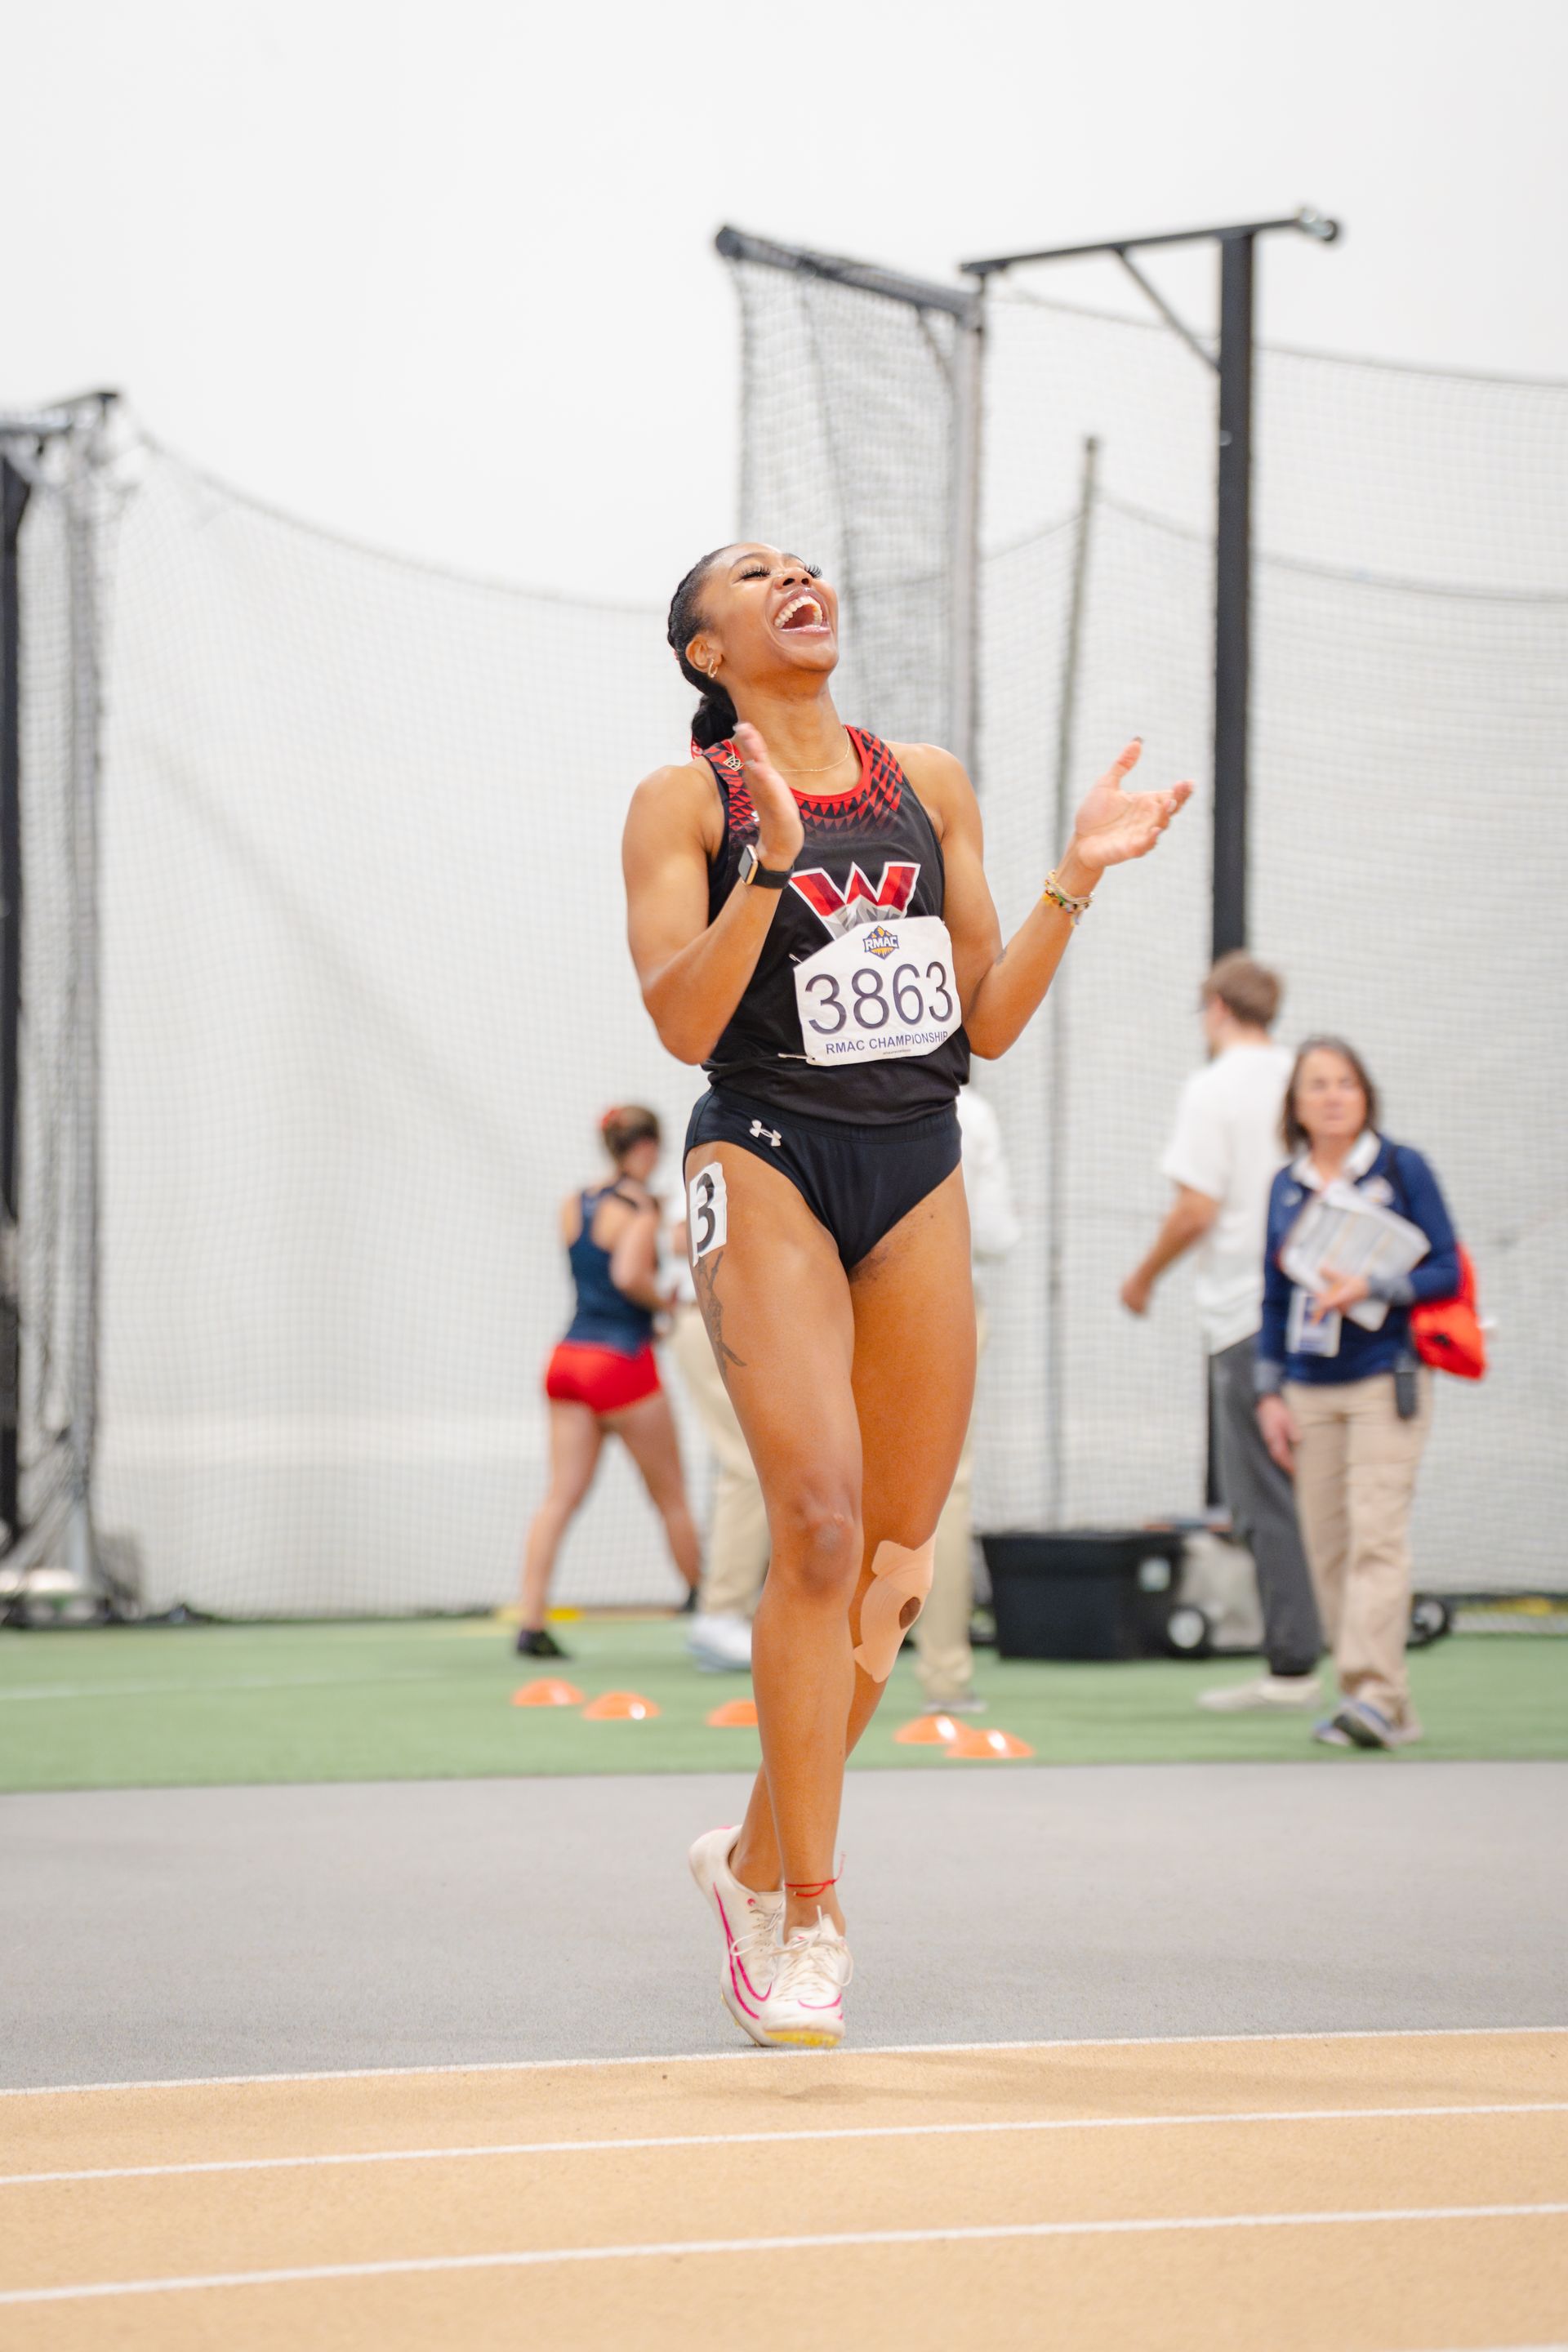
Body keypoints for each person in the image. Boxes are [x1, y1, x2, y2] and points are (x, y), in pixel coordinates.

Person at [623, 540, 1191, 2047]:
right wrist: (769, 864)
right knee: (813, 1523)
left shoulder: (926, 780)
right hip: (765, 1151)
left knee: (889, 1565)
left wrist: (1078, 873)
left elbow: (986, 1019)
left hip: (918, 1155)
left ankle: (746, 1864)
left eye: (810, 566)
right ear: (705, 652)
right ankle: (808, 1910)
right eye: (757, 575)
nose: (798, 579)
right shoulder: (687, 802)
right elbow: (682, 1019)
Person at [1120, 951, 1323, 1711]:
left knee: (1263, 1494)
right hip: (1320, 1312)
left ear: (1215, 1010)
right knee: (1323, 1488)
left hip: (1247, 1314)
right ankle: (1350, 1651)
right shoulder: (1308, 1075)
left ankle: (1294, 1665)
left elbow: (1197, 1209)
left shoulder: (1213, 1089)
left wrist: (1142, 1277)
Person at [1255, 1038, 1459, 1750]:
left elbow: (1448, 1270)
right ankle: (1380, 1703)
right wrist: (1269, 1391)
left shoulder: (1402, 1168)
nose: (1334, 1095)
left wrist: (1375, 1287)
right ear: (1297, 1105)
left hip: (1386, 1379)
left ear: (1366, 1093)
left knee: (1378, 1536)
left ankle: (1373, 1693)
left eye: (1346, 1082)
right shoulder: (1286, 1185)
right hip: (1310, 1391)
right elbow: (1275, 1296)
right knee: (1330, 1548)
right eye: (1318, 1084)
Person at [516, 1107, 701, 1658]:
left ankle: (530, 1621)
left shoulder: (573, 1204)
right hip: (619, 1358)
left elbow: (594, 1267)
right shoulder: (640, 1209)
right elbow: (628, 1273)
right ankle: (711, 1605)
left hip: (567, 1356)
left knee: (560, 1497)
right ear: (645, 1148)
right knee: (671, 1496)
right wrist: (663, 1304)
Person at [912, 1084, 1020, 1714]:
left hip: (845, 1307)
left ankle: (821, 1681)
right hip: (946, 1304)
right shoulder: (971, 1114)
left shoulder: (835, 1089)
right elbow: (999, 1235)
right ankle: (945, 1677)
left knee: (837, 1485)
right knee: (945, 1489)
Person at [667, 1214, 768, 1673]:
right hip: (721, 1316)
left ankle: (733, 1610)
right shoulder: (720, 1144)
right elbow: (676, 1236)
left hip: (721, 1315)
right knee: (748, 1465)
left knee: (758, 1465)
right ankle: (722, 1611)